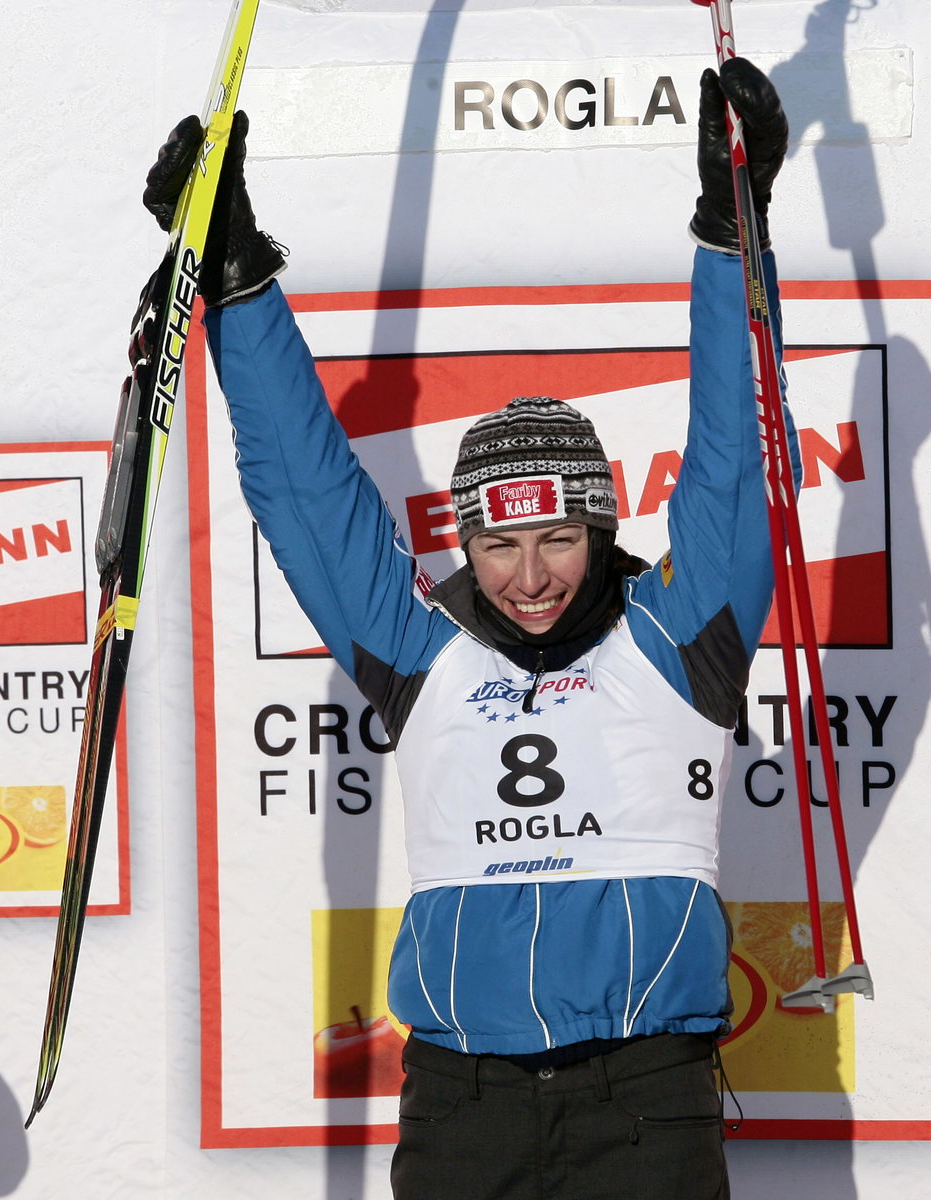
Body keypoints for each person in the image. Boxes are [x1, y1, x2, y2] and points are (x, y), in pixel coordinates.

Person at [145, 57, 792, 1200]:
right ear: (466, 543)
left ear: (599, 528)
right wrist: (234, 277)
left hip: (643, 1104)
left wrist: (728, 231)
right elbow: (305, 494)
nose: (529, 576)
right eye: (497, 544)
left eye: (557, 539)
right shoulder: (420, 649)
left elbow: (734, 457)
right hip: (461, 1105)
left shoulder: (681, 635)